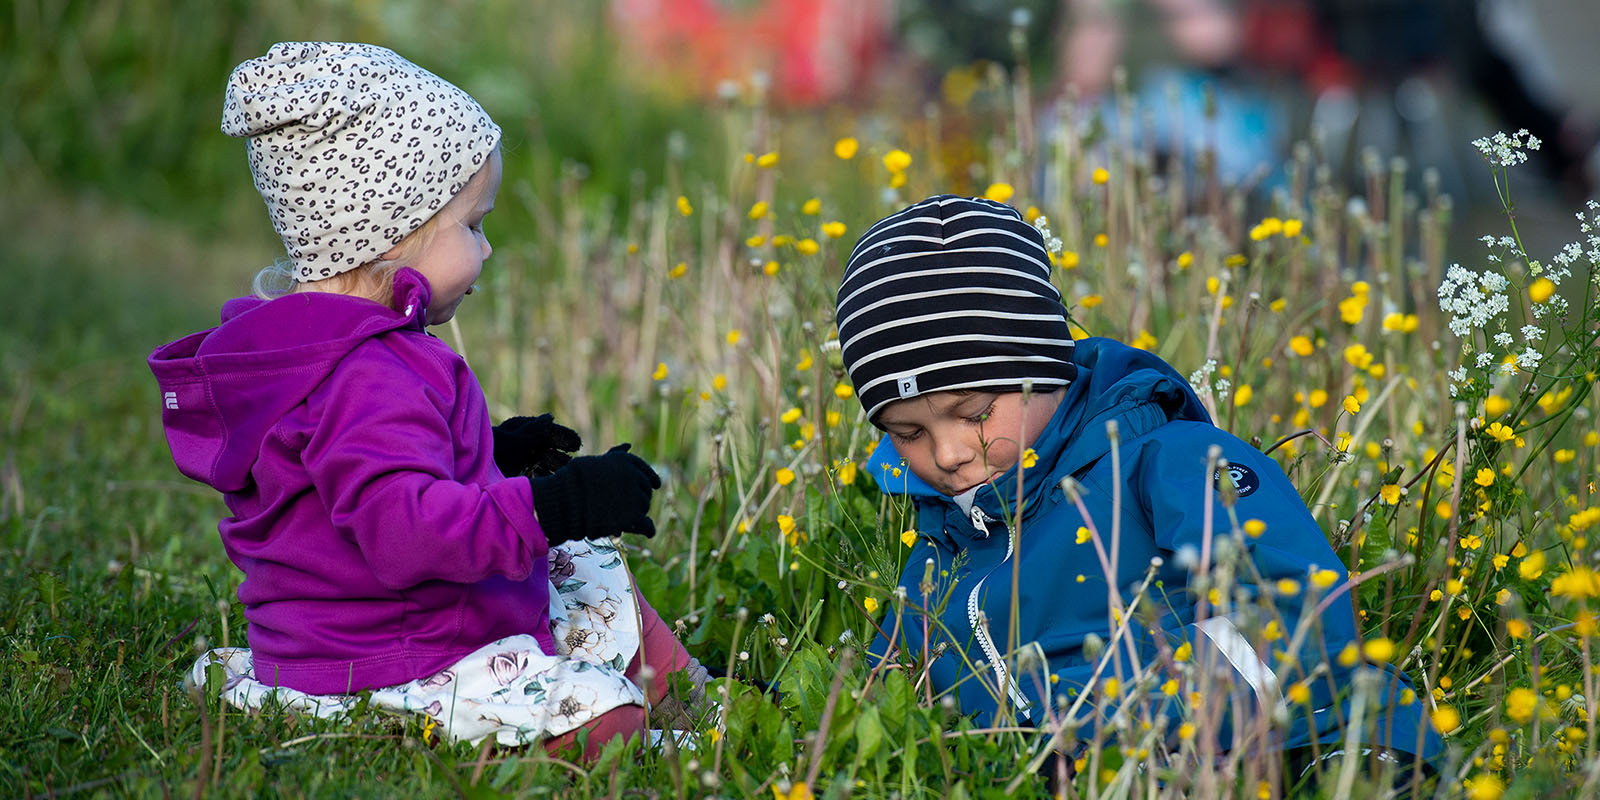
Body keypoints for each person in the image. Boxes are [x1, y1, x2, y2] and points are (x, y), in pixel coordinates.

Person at [149, 42, 706, 760]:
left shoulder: (306, 350)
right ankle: (671, 732)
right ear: (391, 240)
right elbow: (404, 531)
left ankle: (701, 704)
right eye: (473, 226)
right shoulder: (372, 369)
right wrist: (555, 504)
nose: (488, 250)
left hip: (330, 647)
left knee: (586, 568)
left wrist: (488, 450)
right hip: (406, 662)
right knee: (601, 713)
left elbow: (341, 480)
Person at [838, 195, 1441, 782]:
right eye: (908, 432)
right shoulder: (942, 547)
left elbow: (1297, 616)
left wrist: (1093, 717)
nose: (947, 455)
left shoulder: (1164, 461)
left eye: (974, 413)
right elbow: (894, 689)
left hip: (1298, 737)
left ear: (1043, 366)